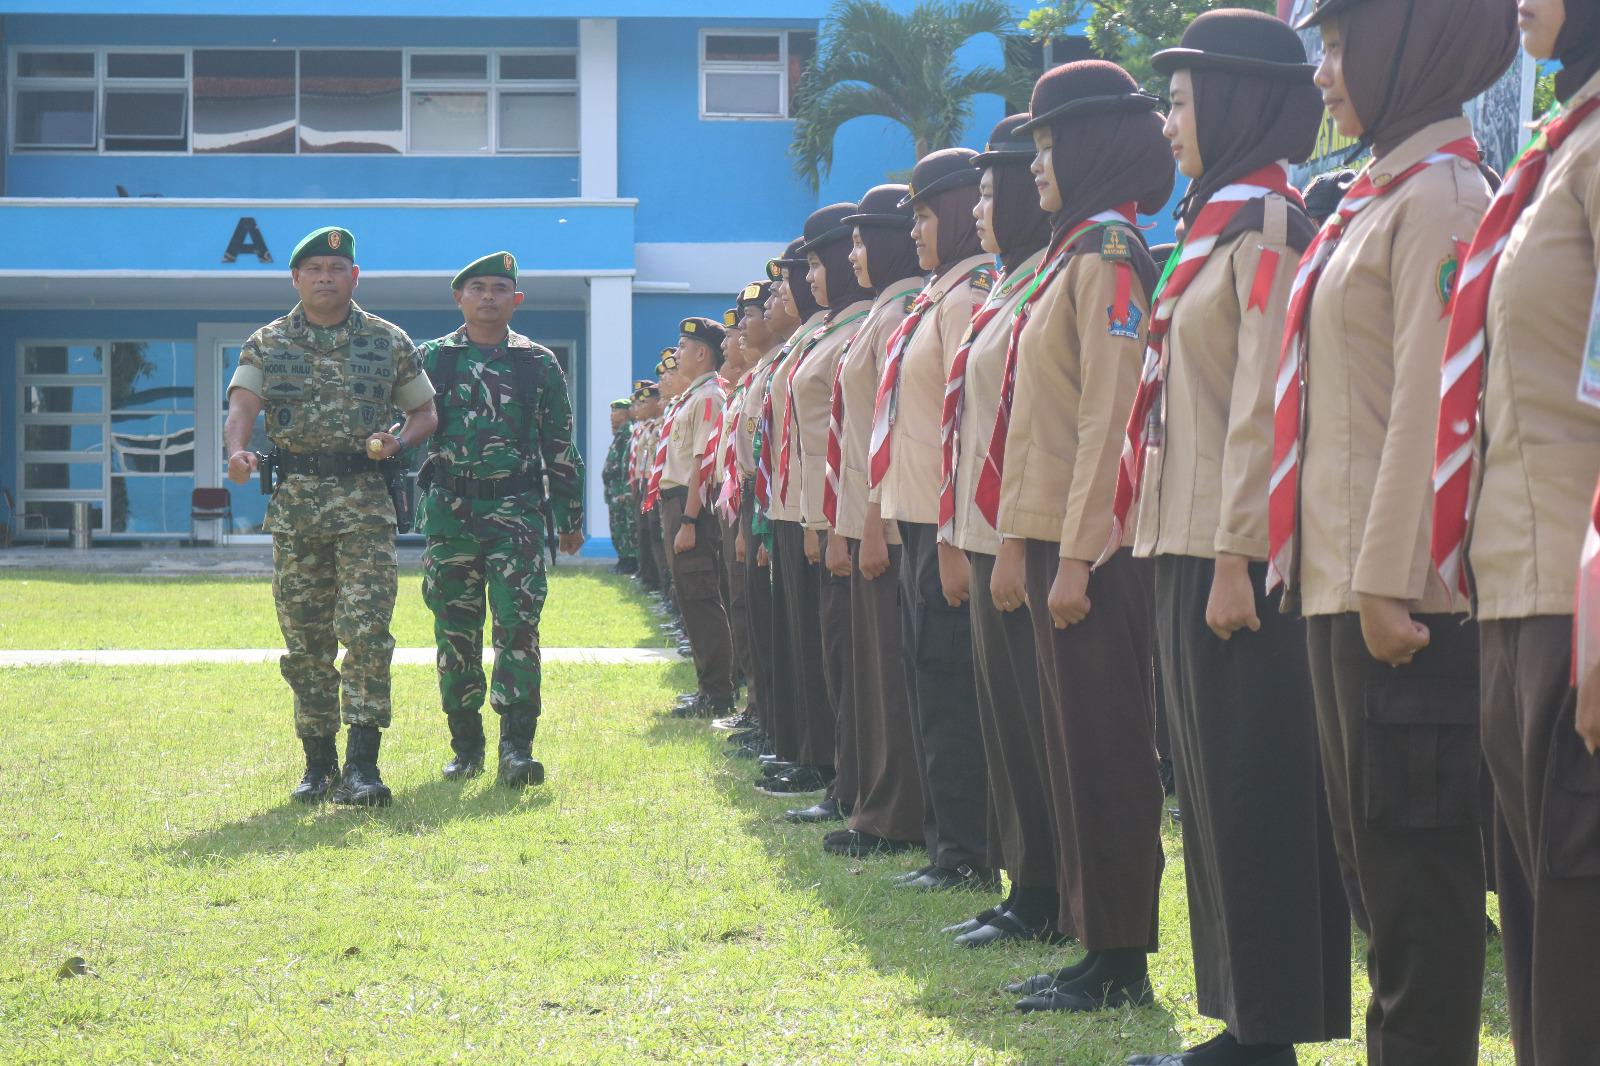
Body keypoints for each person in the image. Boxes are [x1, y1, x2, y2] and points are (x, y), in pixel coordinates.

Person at [1268, 0, 1516, 1059]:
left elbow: (1435, 409)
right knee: (1373, 873)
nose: (1322, 72)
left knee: (1419, 886)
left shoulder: (1445, 199)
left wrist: (1390, 577)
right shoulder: (1377, 198)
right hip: (1336, 580)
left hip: (1397, 599)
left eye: (1337, 45)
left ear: (1403, 47)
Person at [1115, 12, 1350, 1064]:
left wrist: (1230, 558)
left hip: (1236, 559)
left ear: (1238, 101)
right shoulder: (1216, 224)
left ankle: (1268, 1031)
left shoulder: (1264, 225)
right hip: (1186, 542)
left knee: (1253, 789)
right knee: (1209, 789)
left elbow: (1266, 402)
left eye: (1179, 101)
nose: (1168, 124)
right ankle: (1239, 1018)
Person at [1429, 1, 1600, 1060]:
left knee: (1580, 923)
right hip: (1512, 587)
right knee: (1543, 925)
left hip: (1573, 604)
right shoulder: (1556, 151)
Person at [985, 59, 1173, 1013]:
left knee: (1106, 749)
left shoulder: (1109, 255)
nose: (1040, 165)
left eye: (1053, 145)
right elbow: (1031, 426)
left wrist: (1083, 553)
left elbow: (1112, 415)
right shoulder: (1068, 257)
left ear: (1097, 145)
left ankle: (1124, 960)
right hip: (1057, 539)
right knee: (1072, 747)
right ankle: (1096, 947)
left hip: (1092, 550)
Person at [223, 226, 437, 807]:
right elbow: (242, 405)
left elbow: (424, 411)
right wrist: (236, 452)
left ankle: (362, 768)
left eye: (336, 268)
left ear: (354, 276)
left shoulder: (387, 340)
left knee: (367, 631)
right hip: (297, 509)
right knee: (305, 640)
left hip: (365, 505)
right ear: (296, 278)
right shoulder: (266, 342)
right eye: (314, 268)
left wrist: (398, 441)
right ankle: (317, 765)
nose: (325, 277)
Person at [936, 116, 1059, 946]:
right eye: (975, 194)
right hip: (986, 531)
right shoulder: (1012, 283)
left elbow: (1042, 422)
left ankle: (1050, 895)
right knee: (1004, 723)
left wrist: (1010, 535)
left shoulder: (1063, 273)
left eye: (990, 192)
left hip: (1034, 536)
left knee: (1037, 730)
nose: (981, 209)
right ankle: (1029, 888)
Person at [868, 147, 996, 891]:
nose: (914, 231)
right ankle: (946, 844)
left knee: (950, 689)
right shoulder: (935, 296)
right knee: (927, 683)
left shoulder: (968, 292)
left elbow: (964, 422)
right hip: (917, 519)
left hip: (945, 526)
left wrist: (948, 536)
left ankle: (967, 853)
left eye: (922, 215)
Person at [413, 252, 585, 789]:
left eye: (499, 288)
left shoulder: (538, 364)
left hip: (517, 518)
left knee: (518, 629)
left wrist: (570, 517)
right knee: (455, 633)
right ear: (458, 298)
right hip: (450, 518)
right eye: (477, 287)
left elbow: (560, 445)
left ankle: (517, 748)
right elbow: (407, 426)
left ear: (518, 300)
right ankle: (466, 747)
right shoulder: (432, 359)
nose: (488, 296)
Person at [819, 184, 927, 855]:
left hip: (884, 518)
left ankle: (893, 814)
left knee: (889, 676)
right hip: (865, 516)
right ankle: (872, 802)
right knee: (869, 673)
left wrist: (874, 521)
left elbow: (894, 430)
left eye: (864, 240)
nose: (854, 254)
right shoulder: (882, 314)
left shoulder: (902, 311)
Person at [757, 239, 833, 793]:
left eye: (798, 274)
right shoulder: (803, 343)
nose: (784, 291)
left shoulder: (834, 335)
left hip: (820, 510)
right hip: (789, 505)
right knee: (795, 637)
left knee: (815, 639)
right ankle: (803, 748)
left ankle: (821, 758)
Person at [659, 318, 736, 719]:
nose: (678, 353)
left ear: (703, 353)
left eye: (683, 346)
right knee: (690, 598)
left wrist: (689, 521)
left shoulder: (709, 397)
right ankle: (707, 686)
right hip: (676, 504)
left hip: (692, 510)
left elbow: (701, 465)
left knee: (702, 597)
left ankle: (717, 692)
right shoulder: (694, 396)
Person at [604, 398, 638, 575]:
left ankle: (630, 561)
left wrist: (626, 489)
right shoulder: (620, 433)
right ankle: (623, 560)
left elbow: (628, 464)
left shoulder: (628, 433)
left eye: (615, 411)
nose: (612, 416)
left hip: (622, 489)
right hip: (615, 490)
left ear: (626, 412)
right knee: (618, 526)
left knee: (626, 526)